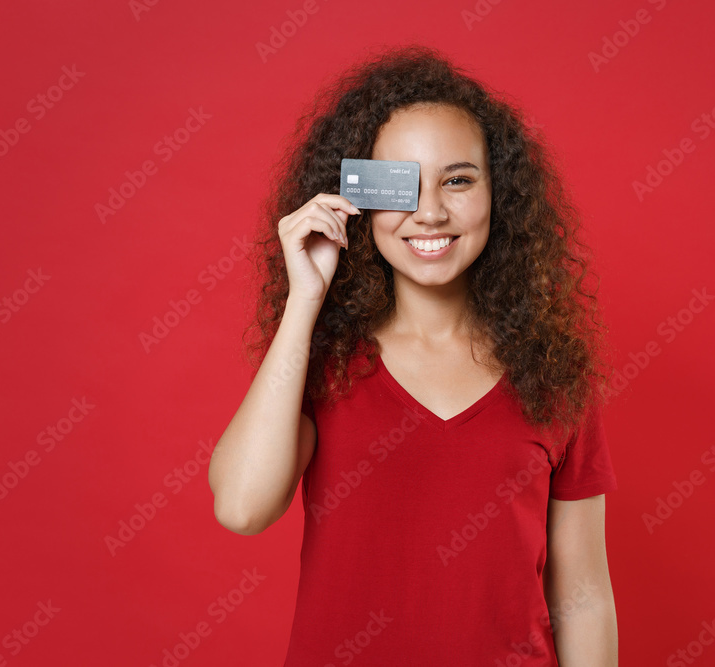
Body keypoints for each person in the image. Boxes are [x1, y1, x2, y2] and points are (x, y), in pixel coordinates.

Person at [208, 43, 619, 666]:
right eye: (402, 184)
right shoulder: (323, 362)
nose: (429, 212)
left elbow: (582, 594)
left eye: (458, 180)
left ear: (498, 196)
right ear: (361, 198)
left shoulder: (551, 374)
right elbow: (241, 508)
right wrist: (304, 300)